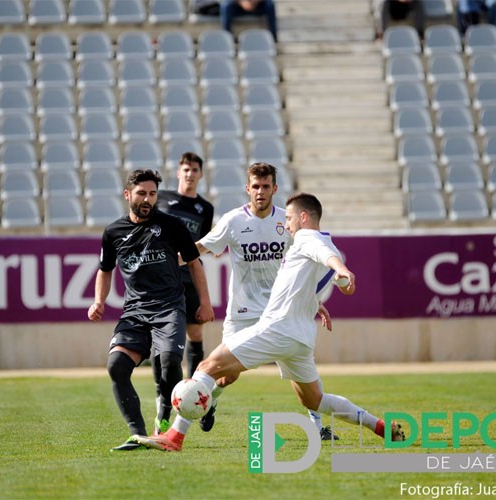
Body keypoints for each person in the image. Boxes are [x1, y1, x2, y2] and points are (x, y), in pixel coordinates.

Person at [133, 193, 405, 452]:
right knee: (315, 400)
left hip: (277, 328)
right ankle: (378, 425)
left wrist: (341, 269)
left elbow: (324, 255)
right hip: (300, 338)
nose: (285, 224)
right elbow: (308, 276)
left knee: (207, 367)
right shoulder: (325, 240)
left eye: (289, 218)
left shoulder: (308, 237)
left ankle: (174, 436)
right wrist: (319, 298)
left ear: (304, 217)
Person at [192, 163, 338, 441]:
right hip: (242, 312)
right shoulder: (233, 221)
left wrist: (312, 300)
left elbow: (305, 263)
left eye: (266, 186)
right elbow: (199, 247)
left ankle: (318, 428)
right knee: (226, 376)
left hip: (280, 312)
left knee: (299, 371)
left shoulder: (288, 222)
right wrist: (169, 259)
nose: (260, 192)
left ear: (275, 189)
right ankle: (210, 402)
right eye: (255, 187)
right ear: (248, 189)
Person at [87, 169, 214, 452]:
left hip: (169, 308)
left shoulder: (171, 226)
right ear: (127, 194)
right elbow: (105, 270)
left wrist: (205, 302)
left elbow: (195, 264)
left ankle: (164, 416)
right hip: (134, 312)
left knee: (169, 362)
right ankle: (137, 433)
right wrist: (99, 301)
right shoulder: (113, 232)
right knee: (117, 367)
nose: (148, 199)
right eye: (142, 193)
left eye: (153, 194)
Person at [153, 153, 214, 434]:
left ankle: (194, 394)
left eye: (195, 170)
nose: (190, 174)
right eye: (186, 169)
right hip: (163, 278)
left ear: (201, 174)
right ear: (178, 173)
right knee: (162, 339)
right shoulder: (162, 199)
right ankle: (163, 405)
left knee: (196, 335)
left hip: (189, 277)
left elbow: (201, 246)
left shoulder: (205, 209)